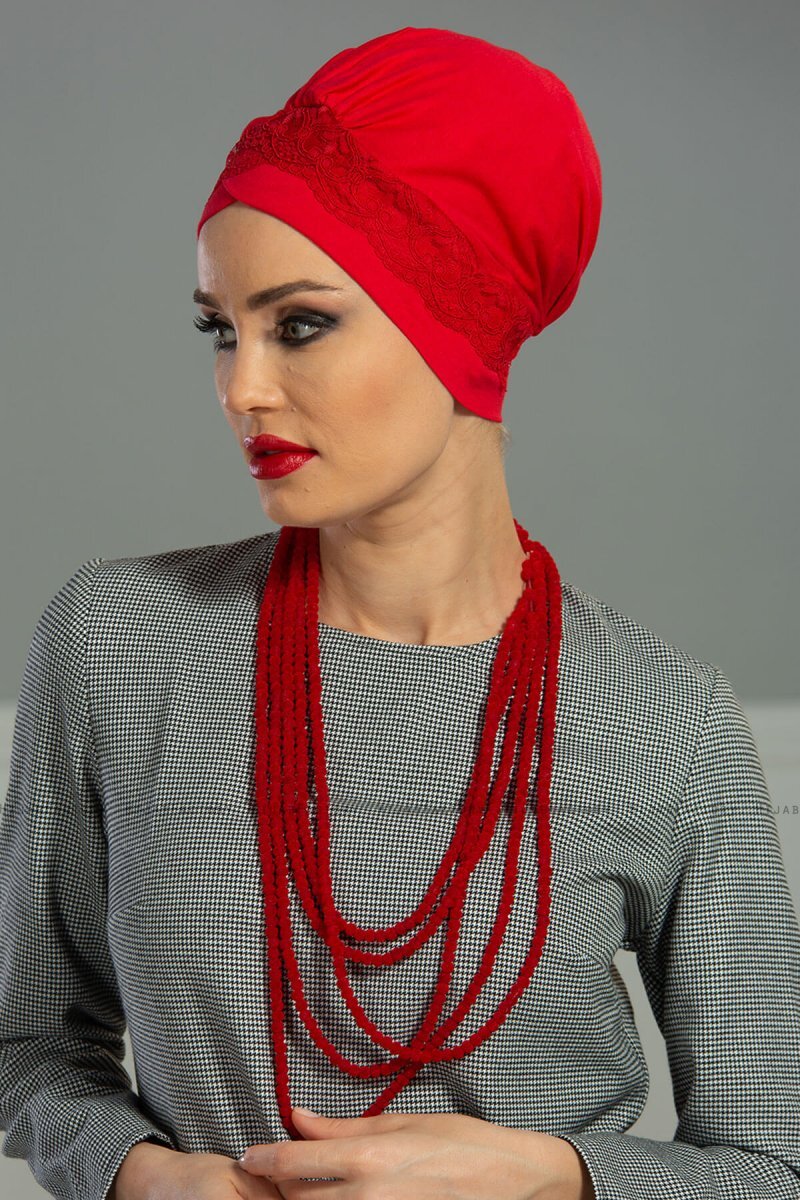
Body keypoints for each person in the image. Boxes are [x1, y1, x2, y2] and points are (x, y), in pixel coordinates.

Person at [1, 24, 798, 1200]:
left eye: (299, 324)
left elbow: (770, 1161)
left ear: (457, 325)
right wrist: (141, 1176)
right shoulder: (116, 644)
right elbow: (25, 1045)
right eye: (220, 329)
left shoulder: (664, 721)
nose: (241, 387)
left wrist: (554, 1177)